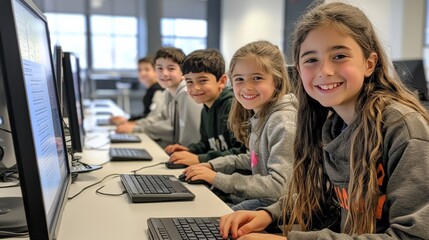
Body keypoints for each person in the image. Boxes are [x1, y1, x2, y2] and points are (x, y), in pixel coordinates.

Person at [219, 2, 429, 240]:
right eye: (311, 59)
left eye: (339, 56)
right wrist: (269, 214)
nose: (325, 70)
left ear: (369, 63)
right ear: (298, 69)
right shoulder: (333, 125)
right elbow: (326, 198)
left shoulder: (403, 128)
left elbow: (414, 236)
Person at [183, 41, 298, 211]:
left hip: (279, 209)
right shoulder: (261, 114)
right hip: (267, 201)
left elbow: (280, 185)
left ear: (277, 80)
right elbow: (253, 157)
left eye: (257, 78)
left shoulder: (283, 121)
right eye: (239, 79)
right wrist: (213, 165)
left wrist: (219, 179)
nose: (247, 87)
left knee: (208, 216)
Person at [164, 49, 247, 166]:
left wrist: (201, 159)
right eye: (189, 82)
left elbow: (242, 152)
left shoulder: (233, 108)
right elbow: (206, 144)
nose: (195, 88)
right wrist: (189, 150)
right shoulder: (206, 109)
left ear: (222, 81)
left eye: (202, 80)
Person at [116, 47, 202, 148]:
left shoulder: (186, 94)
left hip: (191, 154)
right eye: (160, 68)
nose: (164, 73)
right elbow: (160, 117)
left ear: (183, 72)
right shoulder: (168, 92)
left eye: (171, 68)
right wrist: (136, 125)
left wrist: (136, 128)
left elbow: (186, 133)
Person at [111, 56, 164, 125]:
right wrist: (128, 120)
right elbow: (147, 115)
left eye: (147, 70)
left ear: (156, 72)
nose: (142, 73)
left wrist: (130, 122)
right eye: (139, 70)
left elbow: (154, 118)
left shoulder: (158, 91)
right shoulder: (151, 89)